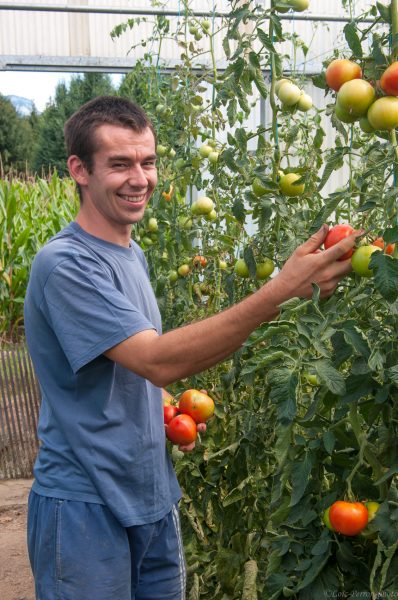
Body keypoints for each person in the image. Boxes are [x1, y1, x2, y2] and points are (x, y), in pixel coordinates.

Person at [24, 95, 362, 600]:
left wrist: (159, 415)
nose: (140, 179)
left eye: (148, 161)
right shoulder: (66, 265)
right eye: (120, 164)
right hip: (85, 505)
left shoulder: (130, 252)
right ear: (79, 170)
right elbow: (157, 361)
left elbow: (120, 370)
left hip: (151, 494)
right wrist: (279, 292)